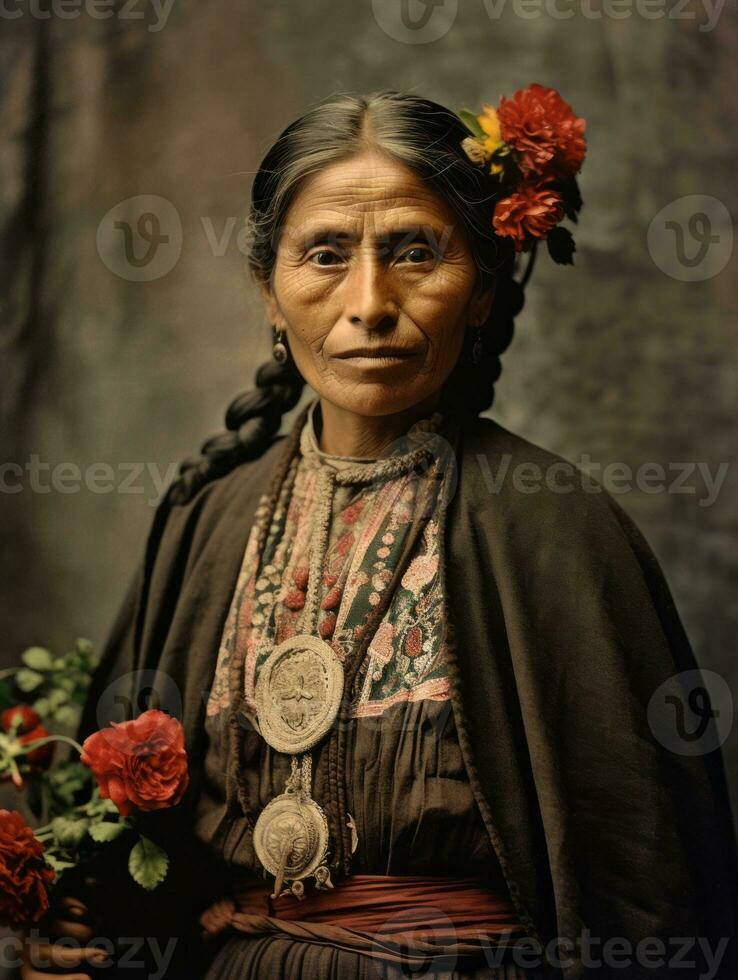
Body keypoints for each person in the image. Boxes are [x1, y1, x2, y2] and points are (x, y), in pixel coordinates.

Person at [21, 89, 737, 980]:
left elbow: (645, 880)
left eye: (415, 253)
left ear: (479, 290)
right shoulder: (205, 521)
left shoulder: (555, 530)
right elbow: (128, 857)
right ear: (269, 292)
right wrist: (83, 929)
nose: (369, 302)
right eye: (325, 254)